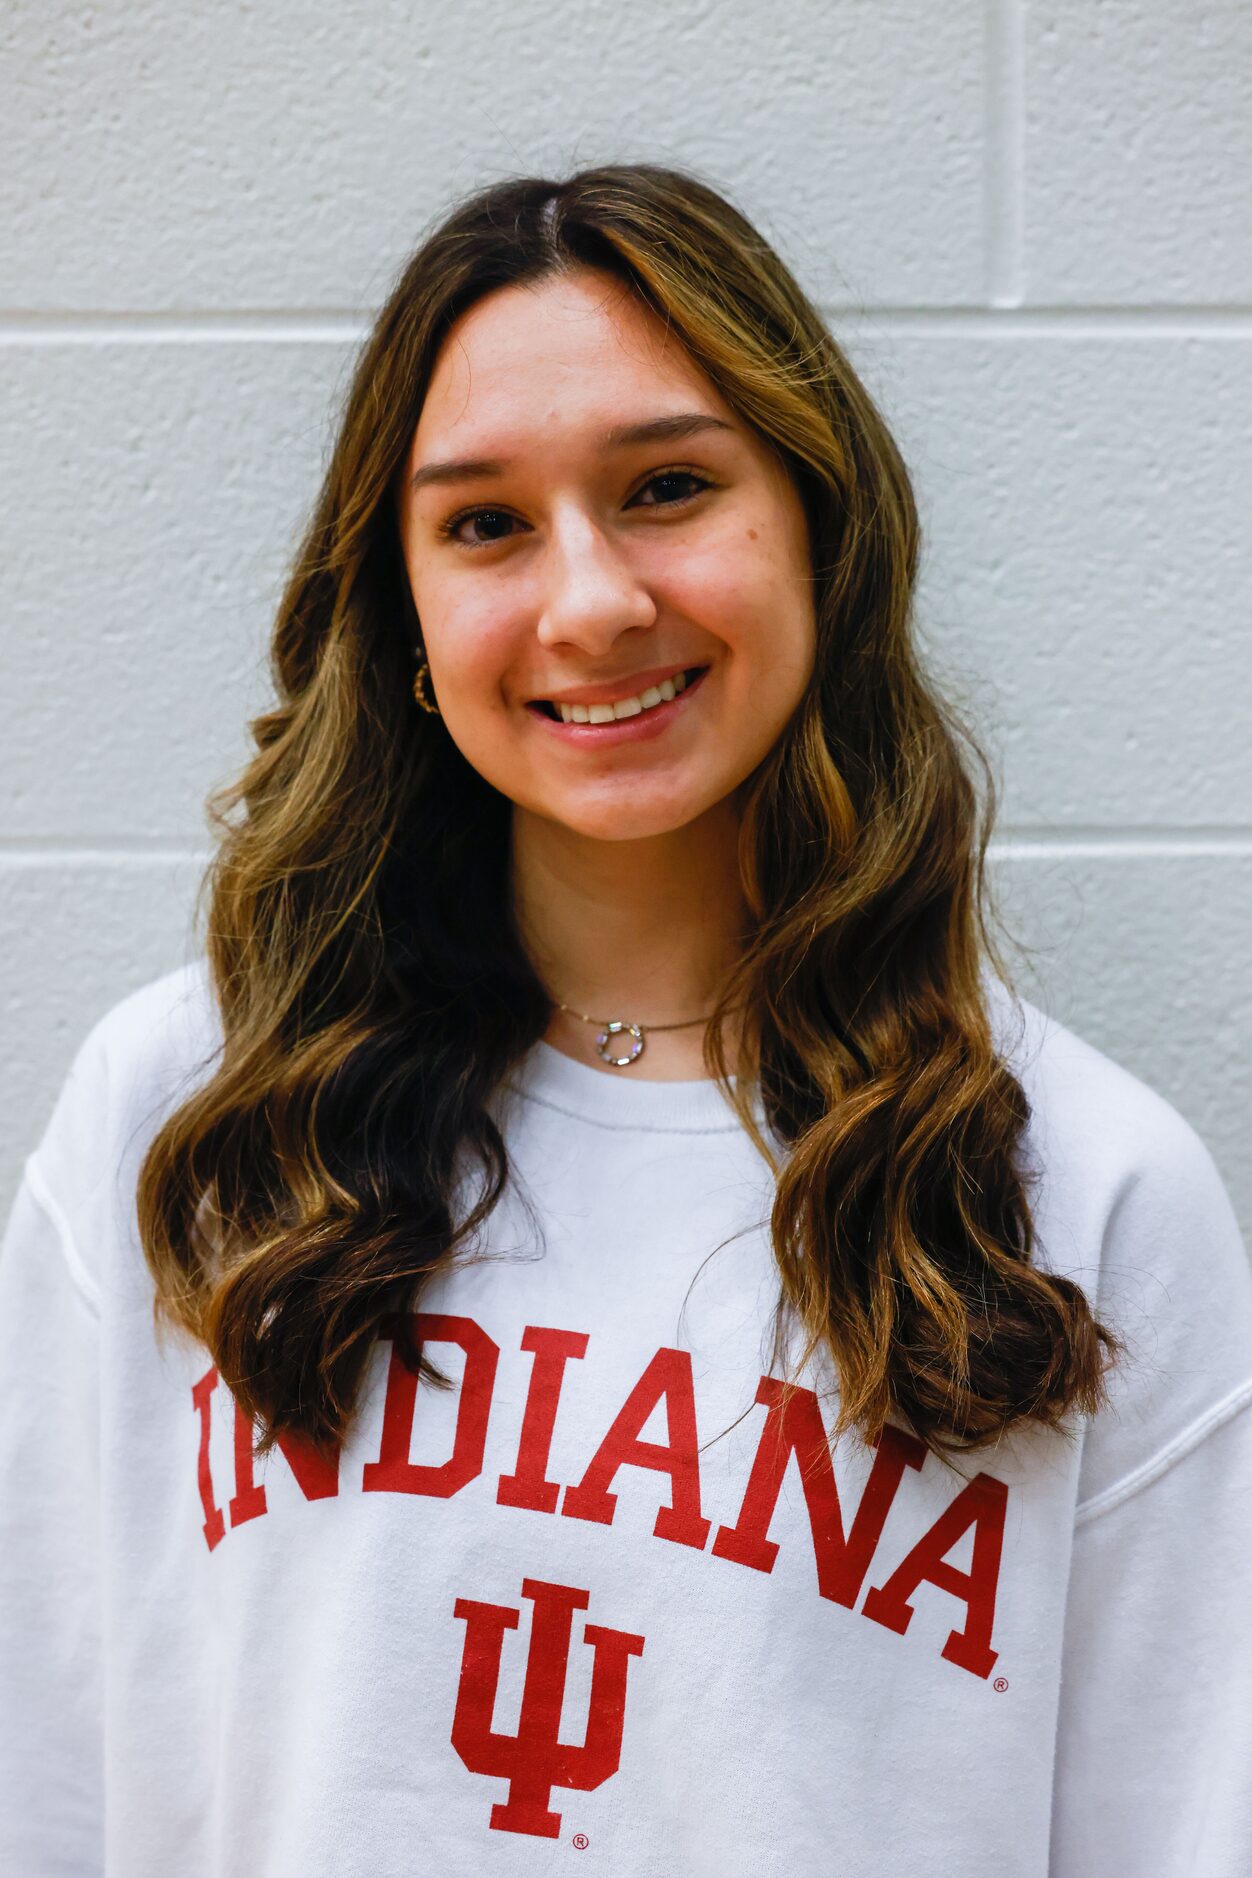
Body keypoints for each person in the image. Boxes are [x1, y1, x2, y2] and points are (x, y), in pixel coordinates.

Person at [1, 163, 1249, 1878]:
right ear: (407, 621)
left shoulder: (1082, 1189)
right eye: (486, 522)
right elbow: (51, 1777)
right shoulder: (193, 1116)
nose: (590, 601)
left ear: (818, 525)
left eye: (667, 487)